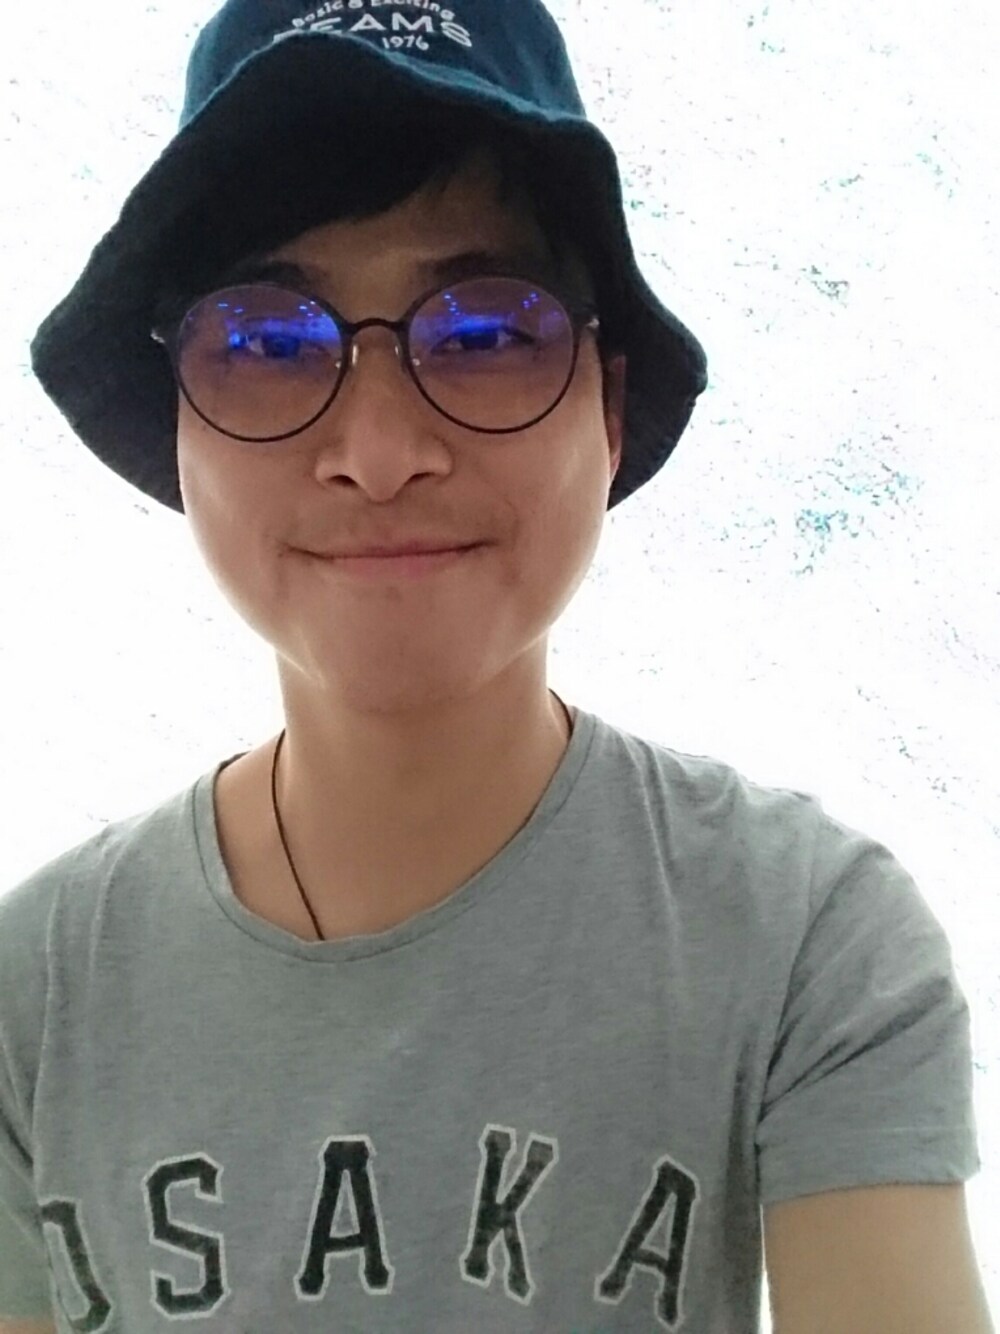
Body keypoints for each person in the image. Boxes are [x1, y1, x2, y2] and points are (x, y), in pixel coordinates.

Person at [1, 0, 986, 1330]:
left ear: (608, 408)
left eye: (485, 333)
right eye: (265, 342)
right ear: (177, 423)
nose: (379, 453)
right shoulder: (34, 1000)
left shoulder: (811, 941)